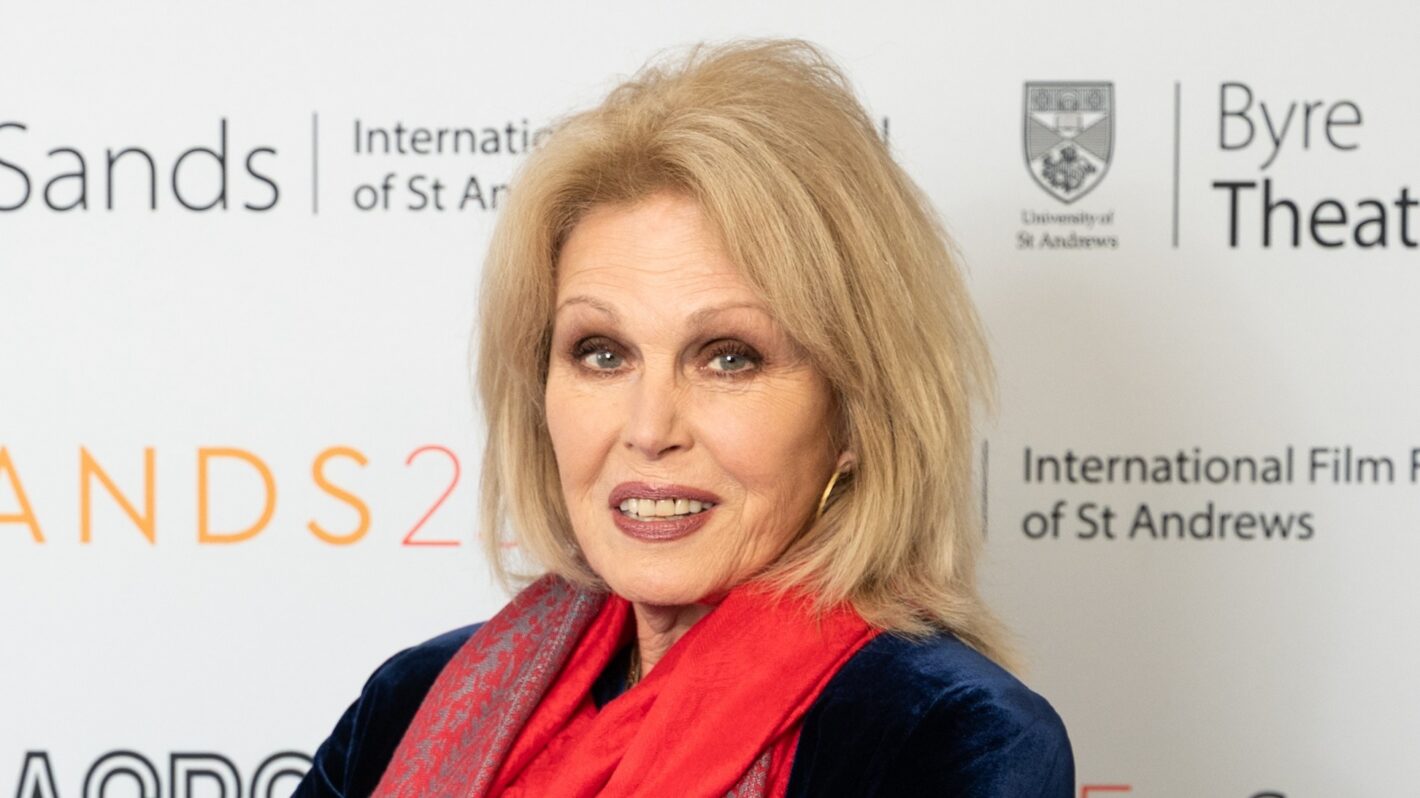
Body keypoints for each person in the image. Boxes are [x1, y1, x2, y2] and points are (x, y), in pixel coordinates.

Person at [295, 38, 1072, 797]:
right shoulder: (412, 702)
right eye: (603, 354)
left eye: (728, 358)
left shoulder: (944, 734)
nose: (648, 428)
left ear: (855, 416)